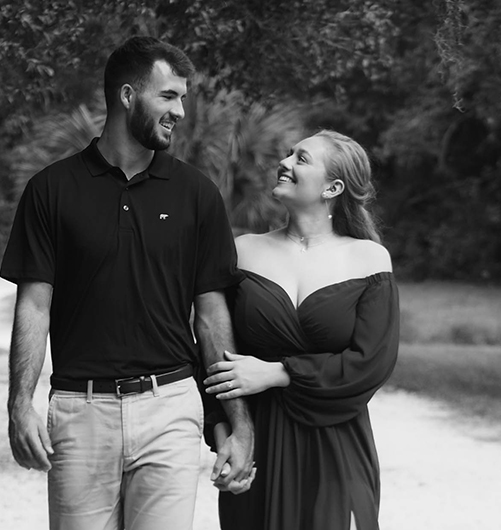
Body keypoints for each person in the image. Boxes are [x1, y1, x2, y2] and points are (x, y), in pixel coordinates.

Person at [0, 36, 254, 530]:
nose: (181, 110)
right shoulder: (50, 190)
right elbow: (33, 306)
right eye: (169, 96)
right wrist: (18, 404)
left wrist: (236, 424)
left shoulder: (197, 194)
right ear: (127, 96)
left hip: (171, 407)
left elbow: (212, 316)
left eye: (182, 97)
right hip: (79, 410)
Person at [204, 129, 400, 530]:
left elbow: (371, 364)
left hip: (337, 447)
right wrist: (225, 434)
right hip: (258, 445)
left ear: (333, 187)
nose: (285, 162)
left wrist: (279, 373)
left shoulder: (368, 259)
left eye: (302, 158)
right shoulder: (243, 251)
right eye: (289, 154)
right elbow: (208, 351)